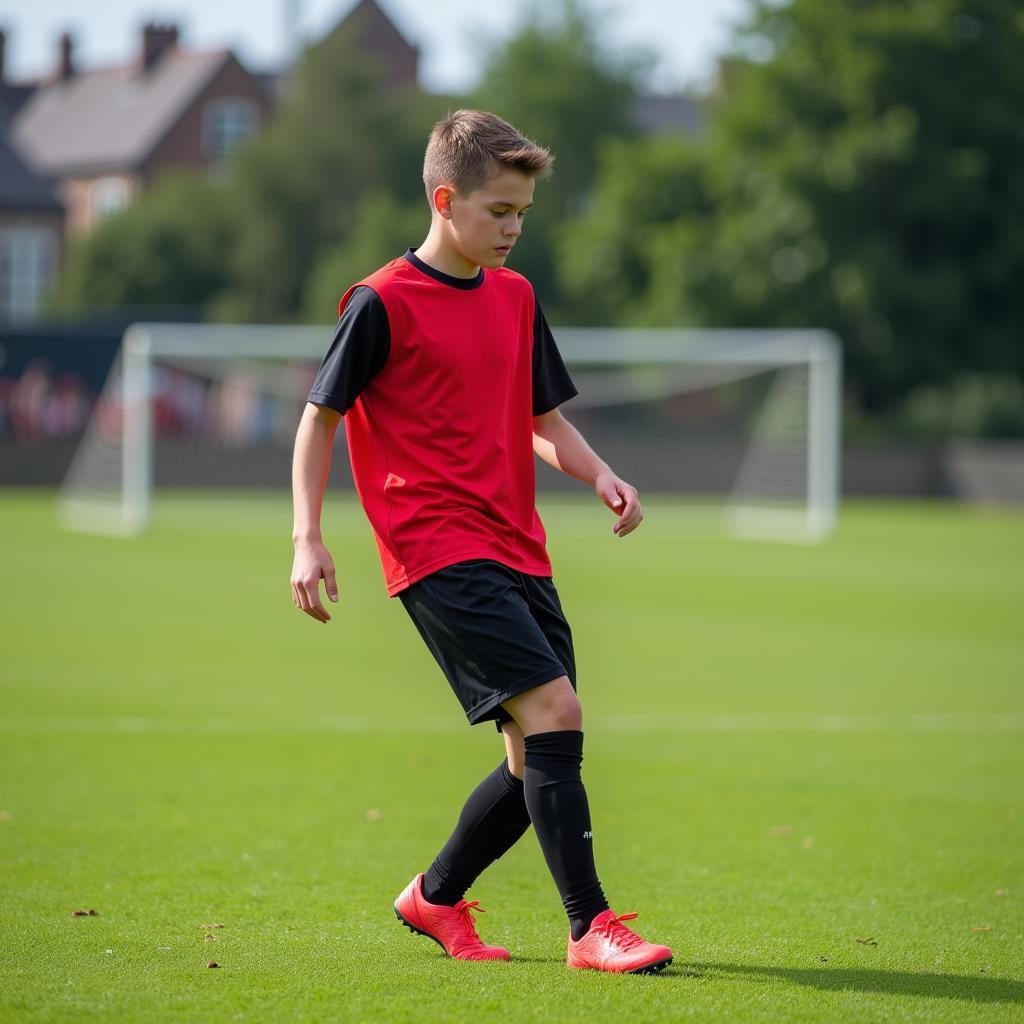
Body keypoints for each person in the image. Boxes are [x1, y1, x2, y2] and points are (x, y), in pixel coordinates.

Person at [290, 109, 672, 975]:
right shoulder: (381, 301)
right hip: (433, 546)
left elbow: (541, 418)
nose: (512, 228)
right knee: (557, 715)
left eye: (522, 214)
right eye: (498, 211)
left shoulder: (517, 296)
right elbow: (320, 422)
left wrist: (599, 472)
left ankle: (434, 895)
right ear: (445, 198)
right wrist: (307, 537)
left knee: (531, 753)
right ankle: (590, 929)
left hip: (518, 544)